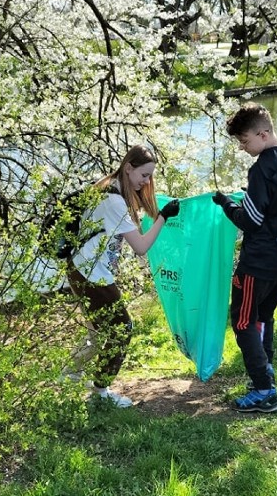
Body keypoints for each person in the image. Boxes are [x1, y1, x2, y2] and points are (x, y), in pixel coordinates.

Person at [66, 145, 180, 408]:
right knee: (122, 329)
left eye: (150, 176)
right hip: (91, 274)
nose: (146, 181)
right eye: (144, 174)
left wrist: (156, 206)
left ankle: (69, 374)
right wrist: (163, 218)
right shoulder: (114, 200)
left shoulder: (108, 186)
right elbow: (140, 247)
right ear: (128, 167)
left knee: (97, 331)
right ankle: (100, 392)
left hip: (79, 269)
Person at [211, 103, 277, 413]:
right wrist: (252, 197)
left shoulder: (262, 167)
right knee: (263, 315)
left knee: (242, 320)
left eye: (244, 141)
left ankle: (264, 390)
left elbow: (250, 221)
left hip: (260, 261)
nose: (242, 147)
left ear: (262, 134)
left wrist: (226, 204)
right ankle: (265, 373)